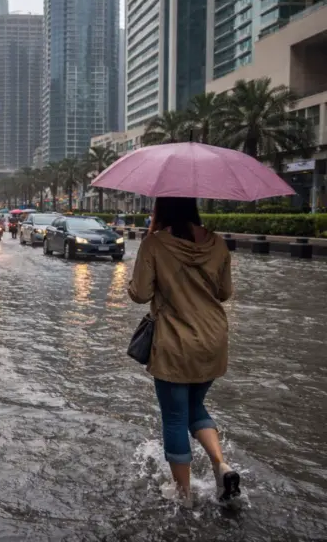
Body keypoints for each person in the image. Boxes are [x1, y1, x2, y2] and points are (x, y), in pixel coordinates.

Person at [128, 197, 239, 506]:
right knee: (195, 407)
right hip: (214, 339)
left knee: (175, 417)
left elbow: (139, 294)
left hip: (175, 341)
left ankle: (184, 494)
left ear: (162, 208)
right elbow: (225, 292)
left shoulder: (155, 244)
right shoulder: (217, 243)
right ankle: (221, 465)